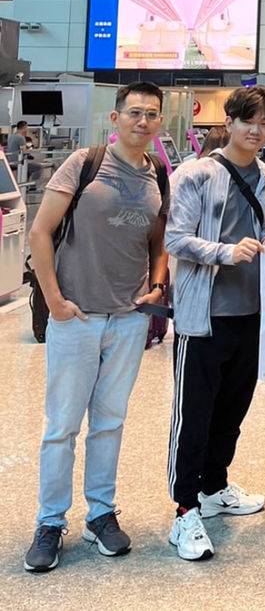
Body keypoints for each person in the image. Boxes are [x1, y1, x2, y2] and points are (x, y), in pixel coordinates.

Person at [24, 82, 170, 572]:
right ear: (115, 118)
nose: (142, 121)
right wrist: (54, 301)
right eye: (134, 113)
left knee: (109, 422)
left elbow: (158, 240)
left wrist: (157, 283)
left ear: (160, 121)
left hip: (128, 319)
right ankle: (50, 521)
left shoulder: (157, 175)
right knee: (62, 425)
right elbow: (40, 231)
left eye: (151, 114)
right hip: (78, 318)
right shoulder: (84, 164)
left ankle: (100, 513)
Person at [165, 85, 265, 561]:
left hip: (251, 315)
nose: (256, 130)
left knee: (232, 411)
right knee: (193, 416)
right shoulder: (196, 174)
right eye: (248, 121)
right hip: (204, 318)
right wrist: (226, 252)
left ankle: (214, 487)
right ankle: (184, 510)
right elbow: (176, 239)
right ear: (229, 122)